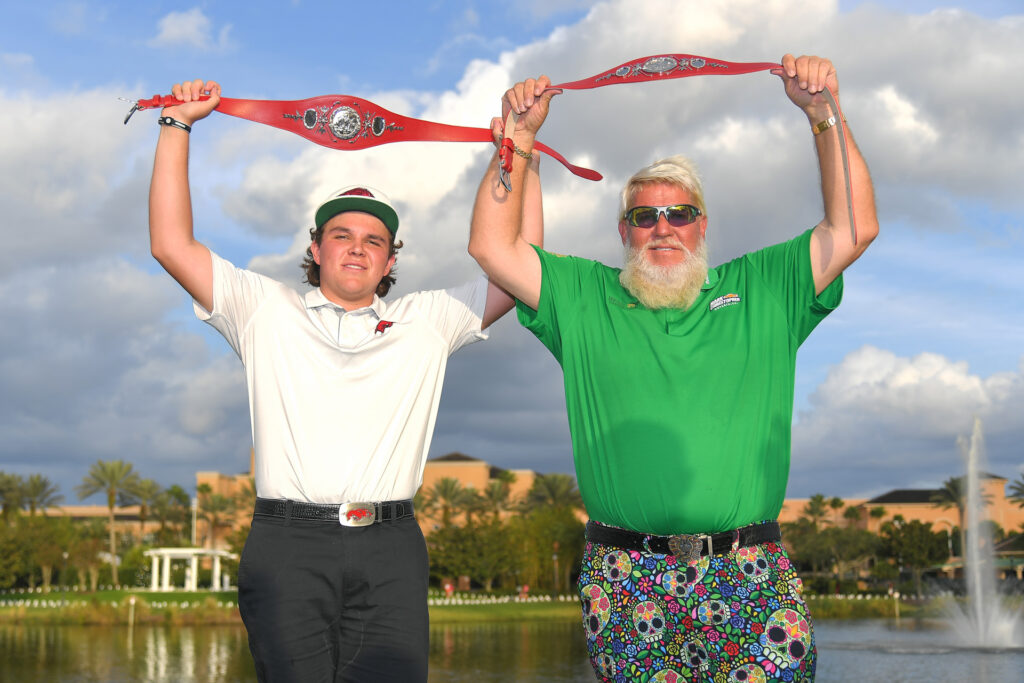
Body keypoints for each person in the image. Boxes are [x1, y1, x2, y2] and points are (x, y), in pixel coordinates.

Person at [469, 56, 878, 681]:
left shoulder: (763, 287)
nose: (663, 227)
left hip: (751, 571)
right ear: (624, 231)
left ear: (702, 225)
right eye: (644, 216)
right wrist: (517, 140)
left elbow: (854, 226)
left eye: (679, 213)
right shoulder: (583, 296)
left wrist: (823, 115)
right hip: (625, 578)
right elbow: (494, 248)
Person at [148, 78, 542, 683]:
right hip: (288, 545)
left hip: (390, 546)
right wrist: (178, 125)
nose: (357, 249)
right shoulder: (264, 306)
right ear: (316, 247)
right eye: (342, 235)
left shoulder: (427, 320)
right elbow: (171, 244)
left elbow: (520, 264)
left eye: (373, 241)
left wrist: (523, 152)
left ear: (391, 260)